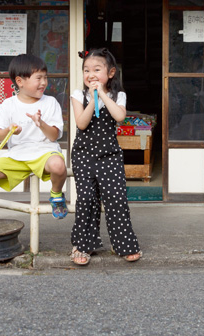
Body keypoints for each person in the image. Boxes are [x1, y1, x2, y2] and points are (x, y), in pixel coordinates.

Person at [0, 53, 68, 236]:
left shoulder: (51, 103)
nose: (44, 82)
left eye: (45, 77)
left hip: (45, 152)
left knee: (59, 166)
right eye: (38, 78)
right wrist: (9, 130)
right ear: (20, 81)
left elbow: (53, 137)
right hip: (17, 155)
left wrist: (40, 123)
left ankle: (56, 195)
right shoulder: (8, 105)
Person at [68, 48, 142, 265]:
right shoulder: (77, 94)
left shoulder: (118, 96)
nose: (90, 74)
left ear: (110, 73)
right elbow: (81, 123)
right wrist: (92, 99)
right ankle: (82, 246)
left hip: (109, 155)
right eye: (86, 70)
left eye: (96, 70)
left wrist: (102, 94)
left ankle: (124, 245)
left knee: (116, 200)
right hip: (83, 155)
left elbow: (119, 117)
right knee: (87, 200)